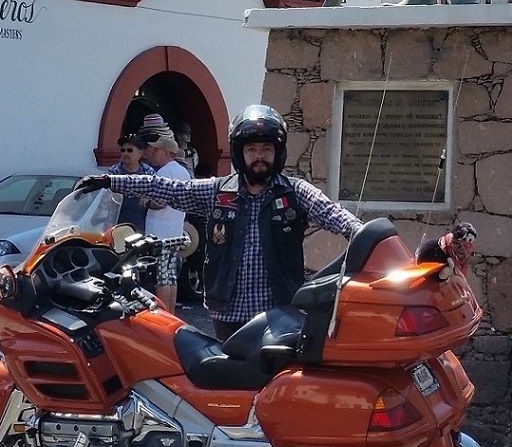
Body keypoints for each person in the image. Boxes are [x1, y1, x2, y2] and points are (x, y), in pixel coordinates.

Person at [83, 104, 359, 337]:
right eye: (252, 149)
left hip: (279, 313)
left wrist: (364, 233)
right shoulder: (218, 191)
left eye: (266, 148)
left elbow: (332, 213)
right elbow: (168, 188)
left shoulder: (294, 193)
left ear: (278, 152)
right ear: (241, 153)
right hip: (227, 312)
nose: (259, 156)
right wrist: (110, 181)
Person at [136, 115, 191, 309]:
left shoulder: (164, 173)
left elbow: (159, 202)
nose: (151, 153)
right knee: (170, 277)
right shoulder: (183, 172)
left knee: (161, 277)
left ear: (165, 152)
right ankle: (172, 312)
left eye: (155, 150)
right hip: (174, 231)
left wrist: (145, 202)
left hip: (159, 234)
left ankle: (163, 313)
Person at [103, 135, 150, 233]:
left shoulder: (148, 172)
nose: (125, 153)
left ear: (140, 153)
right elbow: (104, 197)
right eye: (123, 150)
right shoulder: (113, 172)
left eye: (130, 150)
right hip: (116, 221)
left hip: (141, 222)